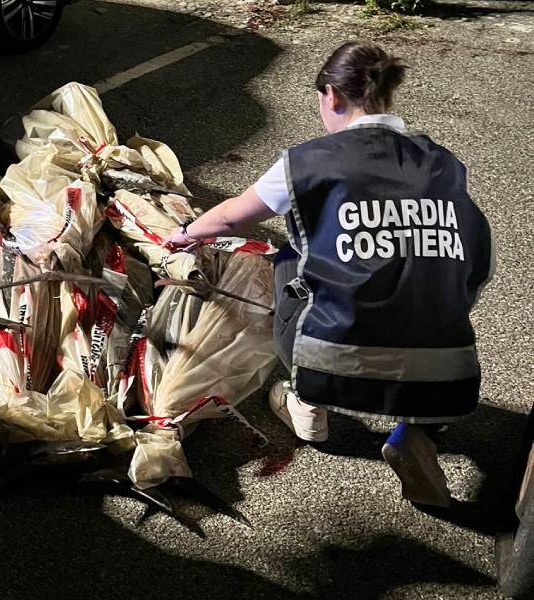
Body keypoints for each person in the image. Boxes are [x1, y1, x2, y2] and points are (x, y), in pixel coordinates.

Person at [164, 41, 494, 507]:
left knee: (289, 256)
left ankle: (306, 402)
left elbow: (233, 218)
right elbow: (479, 264)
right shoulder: (444, 164)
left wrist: (184, 234)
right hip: (449, 373)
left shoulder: (308, 161)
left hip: (333, 362)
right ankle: (418, 435)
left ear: (332, 96)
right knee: (430, 275)